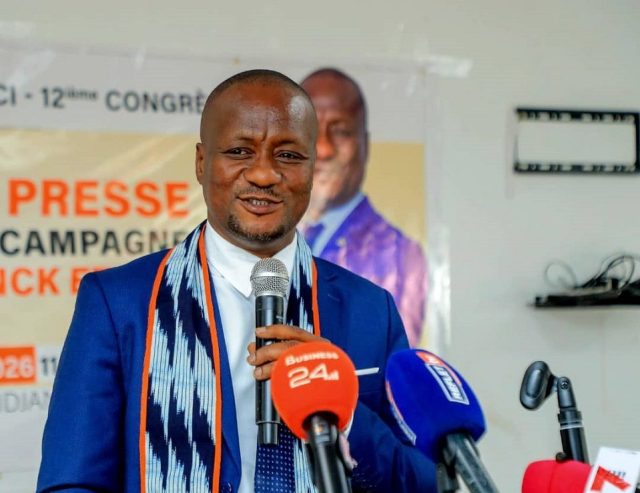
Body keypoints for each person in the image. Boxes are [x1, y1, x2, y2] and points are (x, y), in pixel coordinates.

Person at [37, 70, 436, 493]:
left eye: (288, 155)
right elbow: (71, 482)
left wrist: (344, 411)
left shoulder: (370, 310)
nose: (263, 174)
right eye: (240, 151)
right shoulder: (119, 302)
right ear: (202, 162)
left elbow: (423, 481)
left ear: (311, 168)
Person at [300, 68, 427, 347]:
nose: (323, 148)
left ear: (365, 145)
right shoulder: (267, 242)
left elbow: (389, 364)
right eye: (309, 131)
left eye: (340, 131)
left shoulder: (402, 254)